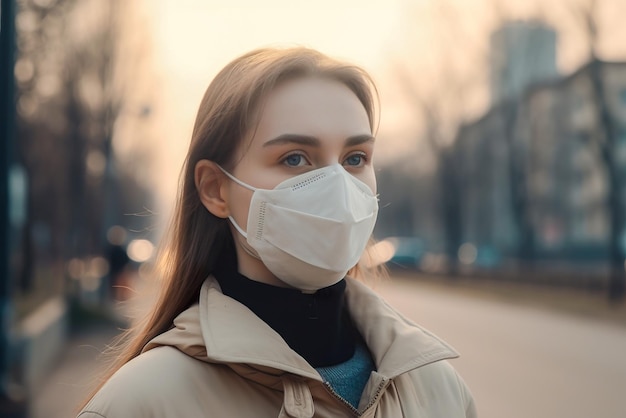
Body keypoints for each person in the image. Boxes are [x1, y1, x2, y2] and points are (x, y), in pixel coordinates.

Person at [77, 47, 476, 418]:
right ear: (216, 189)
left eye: (355, 158)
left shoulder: (440, 391)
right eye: (295, 158)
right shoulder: (142, 403)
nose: (337, 186)